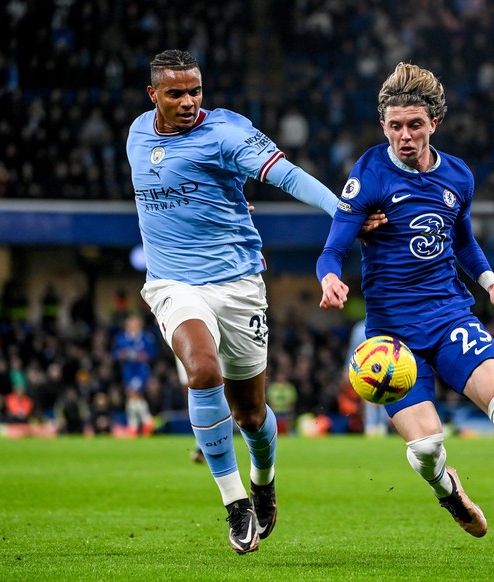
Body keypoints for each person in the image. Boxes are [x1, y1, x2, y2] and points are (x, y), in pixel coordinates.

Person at [316, 62, 494, 566]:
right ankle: (447, 488)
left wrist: (493, 285)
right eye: (395, 125)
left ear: (434, 123)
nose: (404, 136)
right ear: (383, 125)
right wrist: (330, 278)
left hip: (450, 317)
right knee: (424, 452)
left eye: (414, 124)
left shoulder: (458, 175)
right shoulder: (369, 173)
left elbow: (461, 240)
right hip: (392, 340)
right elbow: (332, 247)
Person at [125, 50, 384, 554]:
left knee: (251, 413)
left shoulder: (225, 133)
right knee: (202, 371)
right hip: (173, 284)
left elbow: (287, 176)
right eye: (175, 92)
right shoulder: (137, 132)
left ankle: (263, 481)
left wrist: (345, 214)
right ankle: (235, 502)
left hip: (238, 283)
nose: (187, 101)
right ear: (152, 94)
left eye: (195, 90)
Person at [112, 314, 158, 436]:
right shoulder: (121, 338)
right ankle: (144, 423)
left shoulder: (146, 338)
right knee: (132, 396)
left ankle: (137, 425)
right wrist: (120, 355)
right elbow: (115, 353)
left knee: (134, 394)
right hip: (127, 370)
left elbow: (154, 353)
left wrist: (144, 356)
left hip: (141, 370)